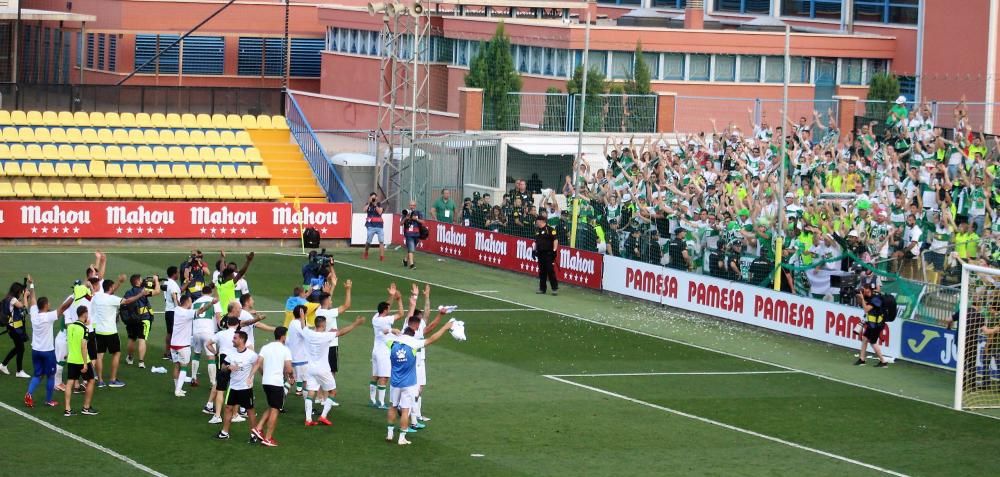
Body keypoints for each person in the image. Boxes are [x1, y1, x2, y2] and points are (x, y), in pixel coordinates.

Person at [385, 318, 455, 445]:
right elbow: (432, 339)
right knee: (405, 410)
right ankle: (402, 438)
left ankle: (390, 434)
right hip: (409, 383)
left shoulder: (391, 343)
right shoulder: (414, 343)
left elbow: (383, 332)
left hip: (395, 382)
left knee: (393, 406)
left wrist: (391, 330)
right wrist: (445, 327)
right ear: (412, 335)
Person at [302, 314, 365, 426]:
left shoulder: (308, 333)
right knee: (332, 392)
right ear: (323, 324)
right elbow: (342, 332)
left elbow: (303, 326)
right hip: (323, 369)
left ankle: (308, 419)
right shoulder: (326, 336)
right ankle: (323, 416)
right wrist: (356, 323)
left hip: (310, 368)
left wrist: (303, 317)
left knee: (311, 392)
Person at [91, 275, 149, 387]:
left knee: (99, 355)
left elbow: (107, 293)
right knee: (116, 354)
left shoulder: (96, 297)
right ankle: (112, 380)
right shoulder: (113, 299)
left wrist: (119, 282)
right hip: (111, 332)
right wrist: (141, 294)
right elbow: (127, 301)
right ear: (111, 287)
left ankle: (100, 381)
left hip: (98, 331)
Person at [24, 276, 72, 408]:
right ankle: (49, 400)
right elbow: (63, 308)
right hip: (47, 352)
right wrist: (74, 297)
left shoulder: (34, 314)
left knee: (37, 374)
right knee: (51, 375)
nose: (50, 304)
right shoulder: (48, 316)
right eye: (48, 303)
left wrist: (32, 285)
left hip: (36, 351)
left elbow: (32, 300)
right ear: (45, 305)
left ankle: (29, 393)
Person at [407, 284, 450, 428]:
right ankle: (412, 417)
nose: (423, 318)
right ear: (416, 320)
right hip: (416, 361)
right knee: (416, 389)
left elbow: (427, 313)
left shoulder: (415, 325)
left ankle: (416, 414)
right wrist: (441, 316)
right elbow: (431, 326)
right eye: (420, 318)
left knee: (419, 388)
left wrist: (426, 297)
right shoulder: (416, 330)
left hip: (419, 360)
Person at [250, 327, 294, 447]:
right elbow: (289, 368)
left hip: (266, 382)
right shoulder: (285, 350)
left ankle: (258, 428)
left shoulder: (265, 347)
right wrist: (291, 376)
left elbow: (258, 363)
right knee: (275, 410)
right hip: (276, 383)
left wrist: (251, 376)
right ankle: (268, 438)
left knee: (272, 406)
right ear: (283, 336)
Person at [170, 294, 218, 397]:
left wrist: (175, 298)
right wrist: (211, 303)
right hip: (183, 345)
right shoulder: (187, 313)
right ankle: (178, 390)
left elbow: (178, 303)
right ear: (187, 301)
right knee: (184, 367)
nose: (192, 302)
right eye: (190, 300)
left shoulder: (177, 309)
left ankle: (177, 387)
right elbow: (201, 310)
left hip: (173, 344)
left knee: (177, 365)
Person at [215, 331, 259, 441]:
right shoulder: (231, 353)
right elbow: (223, 366)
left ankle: (254, 434)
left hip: (245, 388)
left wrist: (251, 376)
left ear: (241, 340)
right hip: (233, 387)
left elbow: (258, 364)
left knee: (250, 411)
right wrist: (229, 366)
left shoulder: (251, 355)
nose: (232, 340)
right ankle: (225, 432)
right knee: (228, 408)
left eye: (235, 338)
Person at [315, 280, 353, 399]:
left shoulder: (318, 311)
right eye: (330, 299)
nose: (332, 301)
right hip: (331, 345)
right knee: (331, 372)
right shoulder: (330, 314)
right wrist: (348, 289)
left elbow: (327, 304)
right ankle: (327, 398)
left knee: (322, 370)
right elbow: (346, 306)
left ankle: (320, 396)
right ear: (326, 301)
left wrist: (329, 292)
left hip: (321, 345)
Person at [371, 283, 405, 409]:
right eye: (388, 308)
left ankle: (373, 400)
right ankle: (380, 403)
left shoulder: (375, 317)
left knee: (375, 375)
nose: (389, 309)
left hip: (375, 350)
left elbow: (386, 306)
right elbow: (401, 314)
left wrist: (390, 296)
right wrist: (399, 299)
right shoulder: (385, 320)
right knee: (384, 377)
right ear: (385, 311)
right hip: (383, 352)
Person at [205, 315, 240, 423]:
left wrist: (215, 353)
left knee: (220, 389)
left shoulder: (220, 333)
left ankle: (217, 416)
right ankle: (235, 415)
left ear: (228, 324)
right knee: (235, 387)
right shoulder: (239, 335)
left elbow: (208, 344)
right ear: (237, 324)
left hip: (223, 360)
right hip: (236, 360)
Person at [64, 305, 98, 417]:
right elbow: (83, 346)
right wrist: (84, 363)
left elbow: (69, 342)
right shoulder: (84, 329)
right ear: (84, 314)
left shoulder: (70, 327)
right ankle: (86, 407)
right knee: (91, 381)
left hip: (71, 359)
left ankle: (67, 409)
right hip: (81, 360)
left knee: (70, 383)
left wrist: (68, 354)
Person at [122, 274, 161, 369]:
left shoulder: (128, 292)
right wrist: (156, 280)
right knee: (142, 339)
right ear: (137, 282)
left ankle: (130, 358)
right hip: (144, 318)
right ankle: (141, 362)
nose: (142, 280)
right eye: (141, 279)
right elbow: (157, 291)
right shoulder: (143, 291)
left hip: (132, 319)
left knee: (131, 339)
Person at [191, 284, 221, 389]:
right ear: (210, 292)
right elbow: (218, 315)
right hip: (208, 331)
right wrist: (221, 326)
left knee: (196, 353)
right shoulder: (214, 300)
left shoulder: (194, 303)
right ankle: (213, 383)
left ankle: (193, 377)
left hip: (196, 331)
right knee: (211, 357)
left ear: (201, 292)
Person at [855, 285, 889, 367]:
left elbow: (866, 309)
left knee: (873, 342)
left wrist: (862, 299)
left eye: (864, 289)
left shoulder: (876, 299)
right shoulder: (869, 297)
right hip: (871, 324)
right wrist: (861, 298)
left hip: (877, 325)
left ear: (868, 290)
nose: (863, 291)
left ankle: (883, 362)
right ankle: (862, 359)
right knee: (865, 339)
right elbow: (863, 305)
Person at [1, 281, 30, 377]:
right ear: (17, 291)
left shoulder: (8, 298)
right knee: (20, 348)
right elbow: (24, 307)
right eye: (20, 291)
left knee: (18, 348)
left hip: (11, 327)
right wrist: (25, 296)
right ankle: (19, 371)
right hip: (14, 328)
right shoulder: (13, 300)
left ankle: (3, 365)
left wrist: (24, 296)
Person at [532, 215, 559, 296]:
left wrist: (554, 250)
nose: (536, 222)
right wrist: (534, 250)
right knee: (542, 271)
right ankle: (542, 288)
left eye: (537, 221)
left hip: (548, 253)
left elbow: (555, 240)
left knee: (550, 271)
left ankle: (554, 288)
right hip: (540, 253)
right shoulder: (537, 230)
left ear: (541, 221)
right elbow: (536, 241)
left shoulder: (550, 229)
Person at [161, 266, 182, 362]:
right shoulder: (173, 285)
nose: (178, 274)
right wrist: (180, 308)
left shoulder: (166, 282)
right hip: (174, 311)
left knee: (169, 332)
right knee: (175, 333)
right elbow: (175, 298)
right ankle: (174, 353)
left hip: (168, 311)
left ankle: (167, 352)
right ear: (174, 274)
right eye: (177, 272)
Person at [363, 192, 386, 261]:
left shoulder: (379, 204)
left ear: (376, 198)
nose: (373, 199)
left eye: (374, 198)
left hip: (379, 225)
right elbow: (364, 210)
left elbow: (379, 212)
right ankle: (366, 252)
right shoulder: (368, 204)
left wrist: (375, 205)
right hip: (370, 226)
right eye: (372, 198)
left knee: (381, 241)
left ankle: (382, 257)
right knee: (368, 241)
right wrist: (369, 203)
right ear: (370, 198)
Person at [402, 200, 424, 269]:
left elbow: (423, 221)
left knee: (412, 248)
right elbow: (401, 223)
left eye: (413, 205)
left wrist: (416, 219)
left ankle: (405, 260)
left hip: (416, 234)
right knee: (411, 249)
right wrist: (406, 218)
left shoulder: (418, 212)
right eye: (410, 205)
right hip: (409, 234)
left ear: (415, 206)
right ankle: (411, 264)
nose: (411, 207)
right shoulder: (406, 213)